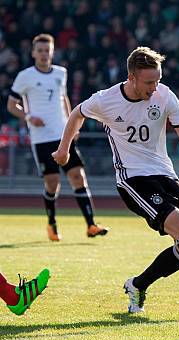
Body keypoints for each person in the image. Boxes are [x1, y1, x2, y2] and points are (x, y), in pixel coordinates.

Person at [52, 47, 179, 314]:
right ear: (132, 77)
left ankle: (138, 284)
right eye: (149, 82)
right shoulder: (107, 100)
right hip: (133, 179)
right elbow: (77, 113)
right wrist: (64, 149)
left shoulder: (165, 95)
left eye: (158, 80)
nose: (154, 87)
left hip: (166, 175)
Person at [7, 34, 108, 241]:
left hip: (62, 135)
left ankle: (91, 225)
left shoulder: (61, 73)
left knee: (78, 177)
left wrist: (74, 124)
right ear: (33, 53)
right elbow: (11, 105)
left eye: (48, 50)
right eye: (40, 51)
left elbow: (64, 99)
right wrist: (28, 117)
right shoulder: (25, 76)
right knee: (53, 183)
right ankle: (52, 224)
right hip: (41, 138)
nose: (44, 54)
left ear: (52, 52)